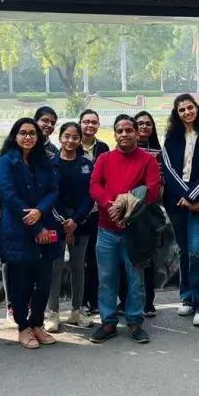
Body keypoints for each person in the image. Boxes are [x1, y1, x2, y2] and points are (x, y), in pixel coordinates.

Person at [88, 115, 161, 344]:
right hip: (106, 230)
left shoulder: (147, 160)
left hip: (135, 231)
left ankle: (134, 321)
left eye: (129, 130)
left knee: (135, 280)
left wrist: (125, 205)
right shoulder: (105, 159)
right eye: (119, 131)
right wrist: (110, 205)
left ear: (136, 133)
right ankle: (108, 322)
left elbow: (152, 190)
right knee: (106, 278)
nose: (124, 134)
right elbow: (95, 185)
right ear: (115, 134)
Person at [0, 118, 61, 349]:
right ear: (15, 136)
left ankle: (37, 324)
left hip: (44, 225)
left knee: (43, 281)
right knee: (20, 283)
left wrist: (40, 211)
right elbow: (9, 195)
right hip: (18, 230)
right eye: (23, 133)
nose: (28, 137)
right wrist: (36, 226)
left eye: (32, 133)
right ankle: (23, 327)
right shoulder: (6, 161)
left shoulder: (43, 160)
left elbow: (53, 190)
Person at [161, 94, 199, 327]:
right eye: (182, 110)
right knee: (184, 250)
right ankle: (187, 297)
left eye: (190, 107)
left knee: (196, 251)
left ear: (197, 108)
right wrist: (185, 196)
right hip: (176, 201)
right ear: (176, 114)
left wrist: (193, 196)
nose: (187, 112)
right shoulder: (171, 137)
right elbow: (169, 169)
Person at [46, 122, 95, 332]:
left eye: (75, 137)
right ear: (60, 137)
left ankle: (77, 311)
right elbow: (49, 194)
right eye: (67, 136)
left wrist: (75, 220)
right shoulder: (50, 164)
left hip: (80, 222)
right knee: (55, 268)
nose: (70, 141)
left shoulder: (87, 165)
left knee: (78, 267)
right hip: (55, 223)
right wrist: (64, 222)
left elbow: (90, 195)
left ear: (80, 140)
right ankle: (52, 313)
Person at [120, 110, 161, 317]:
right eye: (140, 123)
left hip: (148, 211)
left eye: (148, 123)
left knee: (147, 258)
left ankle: (148, 302)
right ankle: (125, 300)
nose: (144, 127)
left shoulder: (158, 153)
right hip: (125, 210)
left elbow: (158, 184)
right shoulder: (120, 150)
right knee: (125, 259)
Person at [78, 109, 111, 316]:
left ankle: (95, 300)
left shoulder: (103, 148)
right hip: (79, 211)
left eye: (94, 122)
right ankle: (80, 302)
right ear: (80, 123)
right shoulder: (72, 144)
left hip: (98, 210)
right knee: (78, 260)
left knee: (95, 258)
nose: (90, 125)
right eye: (86, 121)